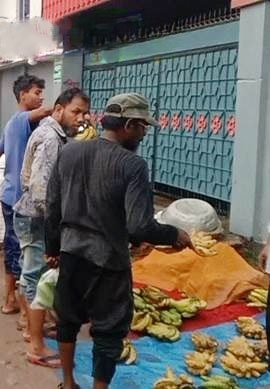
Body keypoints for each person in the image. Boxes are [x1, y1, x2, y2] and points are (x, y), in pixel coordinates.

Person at [46, 93, 192, 389]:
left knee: (68, 320)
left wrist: (52, 248)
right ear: (130, 125)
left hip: (71, 252)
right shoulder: (132, 165)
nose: (144, 134)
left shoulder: (71, 152)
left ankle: (69, 383)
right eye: (142, 127)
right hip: (108, 262)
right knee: (109, 331)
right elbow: (139, 226)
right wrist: (174, 234)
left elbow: (52, 206)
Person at [14, 88, 90, 368]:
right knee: (35, 276)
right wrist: (55, 228)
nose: (81, 118)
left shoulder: (55, 135)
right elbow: (40, 188)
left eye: (84, 112)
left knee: (31, 272)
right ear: (58, 109)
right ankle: (36, 346)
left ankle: (29, 325)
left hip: (30, 213)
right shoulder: (50, 138)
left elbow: (28, 177)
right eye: (76, 111)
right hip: (37, 217)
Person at [0, 75, 52, 318]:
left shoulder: (12, 124)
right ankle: (20, 307)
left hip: (12, 194)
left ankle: (13, 299)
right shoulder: (22, 119)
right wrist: (61, 110)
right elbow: (41, 113)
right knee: (21, 252)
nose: (40, 97)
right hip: (18, 199)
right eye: (36, 92)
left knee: (18, 249)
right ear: (22, 95)